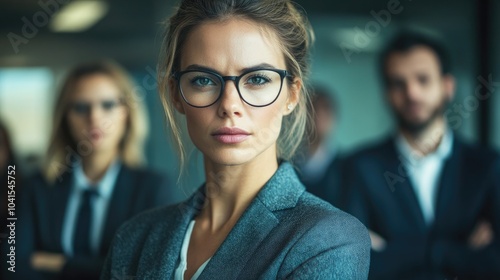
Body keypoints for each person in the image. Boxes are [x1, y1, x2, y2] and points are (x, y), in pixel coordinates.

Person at [101, 1, 370, 279]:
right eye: (203, 80)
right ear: (176, 95)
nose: (230, 105)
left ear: (292, 95)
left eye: (257, 79)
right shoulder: (134, 239)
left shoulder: (328, 240)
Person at [343, 30, 500, 279]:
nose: (412, 93)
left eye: (423, 79)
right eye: (398, 83)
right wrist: (456, 253)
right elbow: (354, 265)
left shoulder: (488, 165)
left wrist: (399, 252)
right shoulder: (359, 168)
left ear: (447, 87)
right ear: (386, 94)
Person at [2, 61, 173, 280]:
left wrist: (61, 264)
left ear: (127, 114)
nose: (94, 117)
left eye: (108, 105)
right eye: (81, 107)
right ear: (65, 117)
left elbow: (147, 271)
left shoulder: (153, 189)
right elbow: (11, 265)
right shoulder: (36, 188)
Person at [296, 85, 344, 207]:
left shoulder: (346, 169)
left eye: (325, 108)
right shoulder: (286, 165)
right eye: (313, 108)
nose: (319, 115)